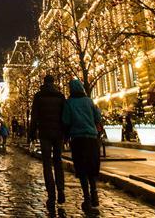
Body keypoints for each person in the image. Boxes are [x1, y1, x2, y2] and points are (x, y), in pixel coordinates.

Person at [62, 78, 102, 210]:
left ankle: (87, 199)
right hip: (92, 138)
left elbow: (66, 121)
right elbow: (98, 117)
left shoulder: (69, 103)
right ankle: (95, 193)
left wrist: (65, 137)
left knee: (82, 169)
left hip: (78, 139)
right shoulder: (89, 101)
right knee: (92, 167)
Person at [29, 74, 66, 206]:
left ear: (44, 82)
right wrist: (65, 134)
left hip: (44, 133)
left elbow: (34, 116)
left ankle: (51, 195)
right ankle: (61, 189)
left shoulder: (38, 96)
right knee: (58, 162)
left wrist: (31, 133)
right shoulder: (60, 96)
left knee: (47, 164)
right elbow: (64, 117)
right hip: (58, 134)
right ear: (54, 82)